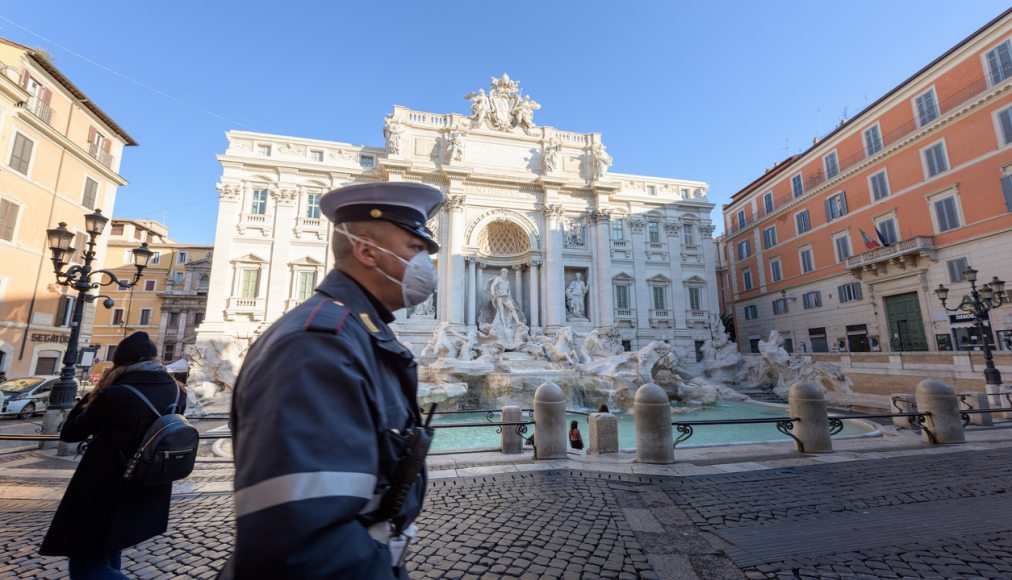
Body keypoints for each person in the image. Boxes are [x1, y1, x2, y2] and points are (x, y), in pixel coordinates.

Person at [220, 182, 443, 579]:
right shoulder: (317, 346)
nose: (427, 262)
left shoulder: (357, 334)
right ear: (368, 252)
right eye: (415, 248)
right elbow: (304, 539)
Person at [39, 331, 185, 579]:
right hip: (145, 486)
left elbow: (71, 432)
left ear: (120, 362)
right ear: (154, 358)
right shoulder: (177, 392)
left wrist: (95, 393)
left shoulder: (116, 394)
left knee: (87, 569)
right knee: (110, 548)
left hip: (104, 489)